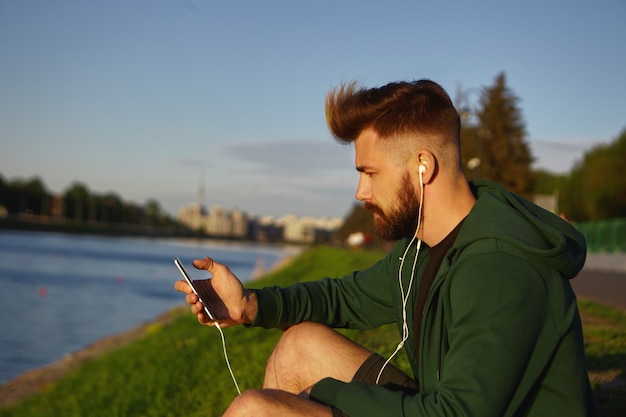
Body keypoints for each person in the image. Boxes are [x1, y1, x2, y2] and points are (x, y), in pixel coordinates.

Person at [175, 79, 597, 416]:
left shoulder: (500, 268)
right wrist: (249, 304)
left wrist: (327, 400)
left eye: (370, 172)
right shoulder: (422, 249)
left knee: (255, 410)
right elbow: (345, 296)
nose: (360, 192)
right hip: (448, 403)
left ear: (423, 166)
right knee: (298, 346)